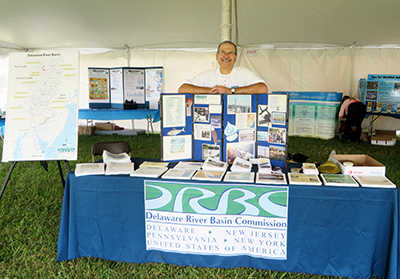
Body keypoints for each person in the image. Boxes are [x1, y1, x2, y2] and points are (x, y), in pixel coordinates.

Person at [178, 40, 268, 94]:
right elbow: (182, 89)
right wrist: (211, 91)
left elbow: (263, 88)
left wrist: (231, 91)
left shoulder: (243, 73)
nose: (226, 56)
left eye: (230, 53)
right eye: (223, 52)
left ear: (236, 57)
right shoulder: (207, 74)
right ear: (217, 56)